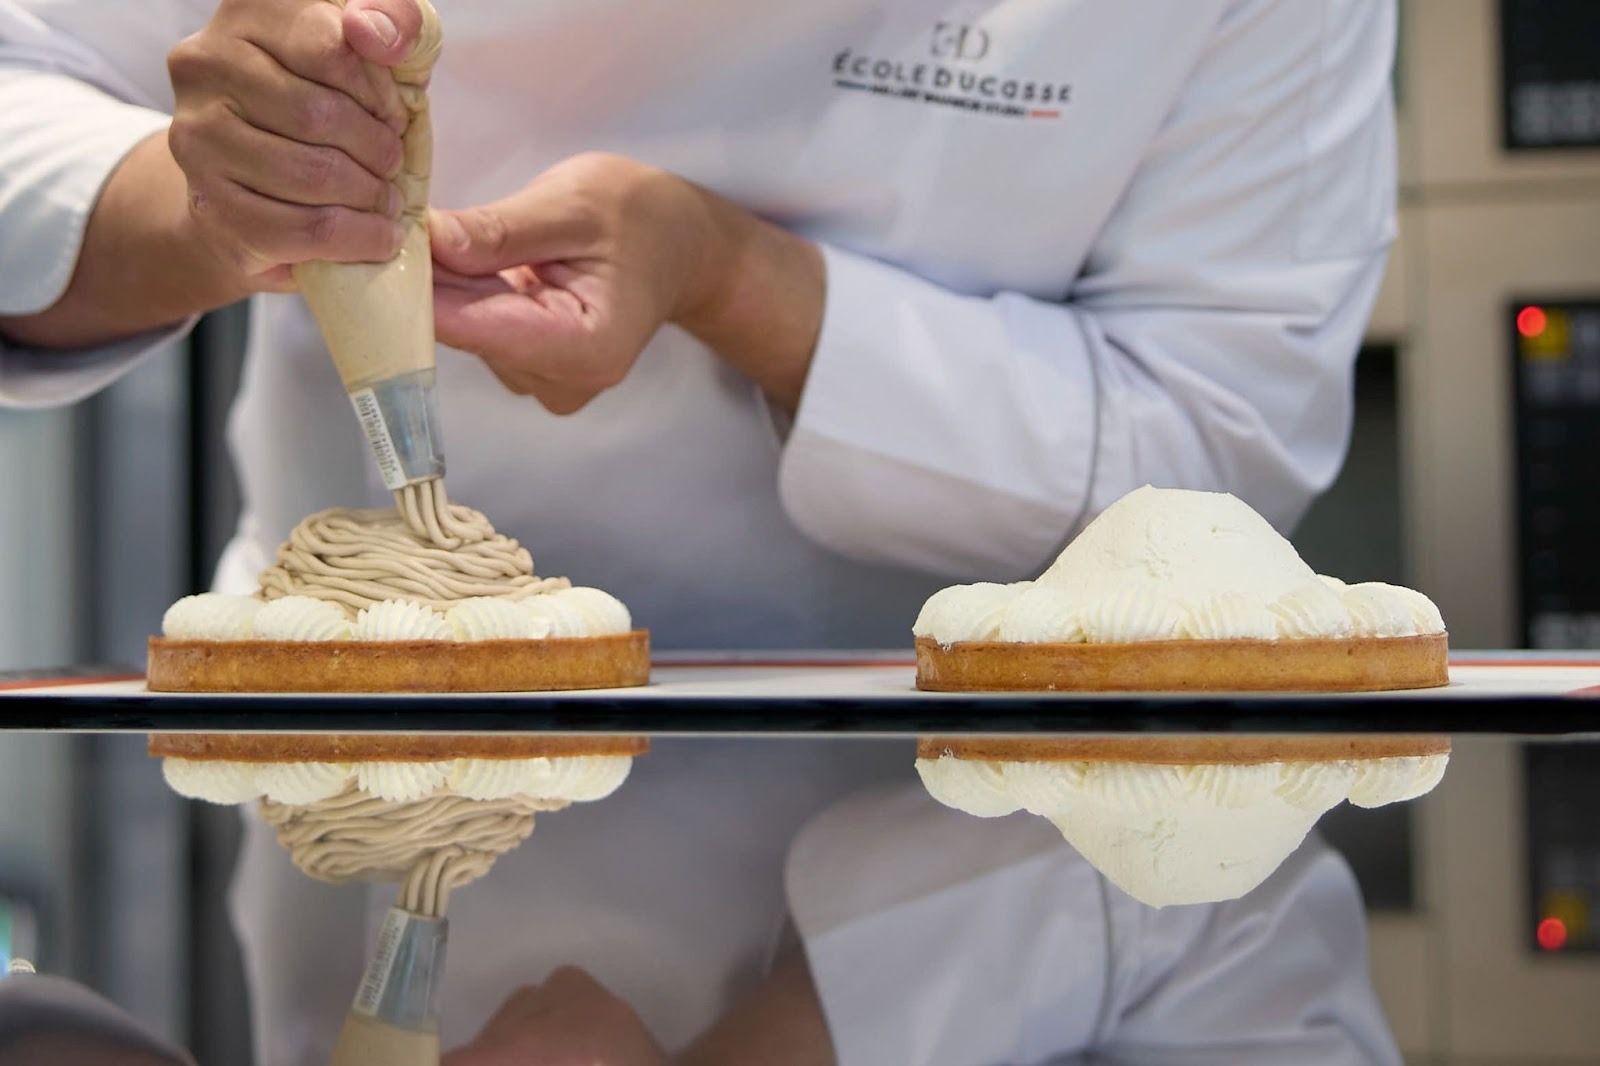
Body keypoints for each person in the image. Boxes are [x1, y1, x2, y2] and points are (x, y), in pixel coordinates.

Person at [0, 0, 1404, 1062]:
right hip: (363, 744)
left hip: (998, 818)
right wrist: (209, 193)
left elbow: (1216, 454)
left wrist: (742, 282)